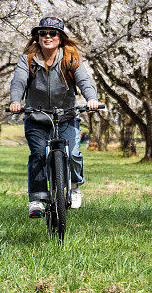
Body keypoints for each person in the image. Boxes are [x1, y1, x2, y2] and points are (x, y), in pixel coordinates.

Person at [9, 16, 99, 218]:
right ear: (37, 37)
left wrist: (91, 98)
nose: (47, 36)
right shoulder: (28, 59)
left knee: (74, 153)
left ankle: (75, 187)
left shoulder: (71, 57)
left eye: (52, 33)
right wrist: (16, 101)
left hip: (66, 115)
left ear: (60, 38)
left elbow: (84, 80)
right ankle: (38, 199)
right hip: (36, 117)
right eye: (43, 33)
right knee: (39, 154)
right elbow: (18, 82)